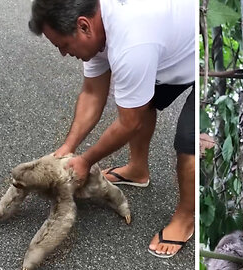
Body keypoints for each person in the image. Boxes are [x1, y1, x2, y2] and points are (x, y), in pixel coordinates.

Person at [28, 0, 195, 258]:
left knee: (189, 142)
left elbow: (130, 122)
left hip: (198, 54)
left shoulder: (132, 41)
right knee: (141, 100)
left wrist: (85, 161)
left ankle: (186, 217)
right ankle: (137, 170)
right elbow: (93, 93)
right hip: (166, 47)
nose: (63, 53)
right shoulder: (95, 25)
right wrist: (68, 147)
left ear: (83, 26)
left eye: (63, 45)